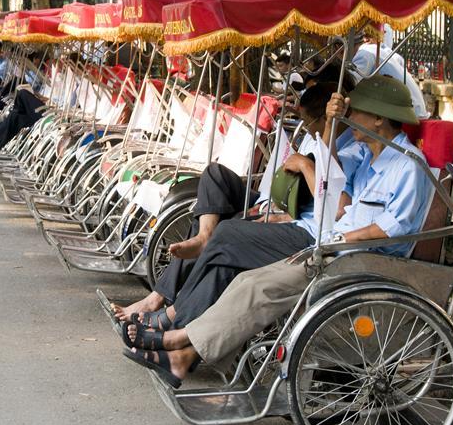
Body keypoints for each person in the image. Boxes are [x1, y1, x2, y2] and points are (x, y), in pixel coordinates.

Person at [120, 75, 436, 386]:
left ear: (378, 119)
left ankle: (177, 332)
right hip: (331, 247)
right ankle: (183, 353)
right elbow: (336, 192)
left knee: (240, 257)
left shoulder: (408, 167)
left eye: (355, 113)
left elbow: (389, 229)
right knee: (244, 279)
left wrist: (338, 239)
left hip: (356, 260)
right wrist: (330, 124)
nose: (349, 120)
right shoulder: (369, 157)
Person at [112, 81, 358, 325]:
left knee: (225, 231)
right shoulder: (314, 137)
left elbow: (332, 204)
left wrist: (297, 183)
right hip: (274, 200)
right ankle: (201, 242)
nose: (304, 126)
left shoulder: (350, 152)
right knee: (215, 176)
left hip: (299, 218)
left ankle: (168, 308)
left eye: (309, 121)